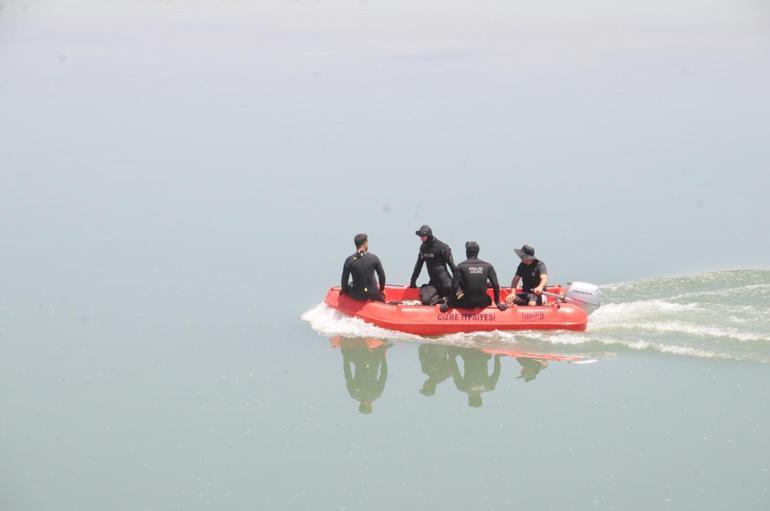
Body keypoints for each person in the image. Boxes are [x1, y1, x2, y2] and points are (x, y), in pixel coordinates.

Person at [441, 241, 507, 312]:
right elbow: (496, 285)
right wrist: (497, 302)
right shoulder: (488, 266)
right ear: (478, 252)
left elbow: (454, 287)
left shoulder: (460, 266)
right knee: (488, 298)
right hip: (484, 302)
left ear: (466, 252)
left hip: (466, 303)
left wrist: (449, 303)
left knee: (454, 298)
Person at [409, 225, 457, 304]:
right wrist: (412, 282)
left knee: (455, 295)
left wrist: (459, 283)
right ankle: (441, 300)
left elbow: (452, 266)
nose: (421, 238)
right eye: (420, 236)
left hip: (446, 282)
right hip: (434, 283)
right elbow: (418, 266)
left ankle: (446, 299)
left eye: (423, 236)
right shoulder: (423, 248)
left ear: (429, 235)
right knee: (425, 300)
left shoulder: (443, 247)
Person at [340, 233, 386, 302]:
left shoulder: (349, 260)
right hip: (374, 294)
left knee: (349, 285)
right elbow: (382, 276)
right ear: (365, 243)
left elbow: (344, 279)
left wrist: (344, 291)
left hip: (358, 295)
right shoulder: (374, 258)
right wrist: (382, 290)